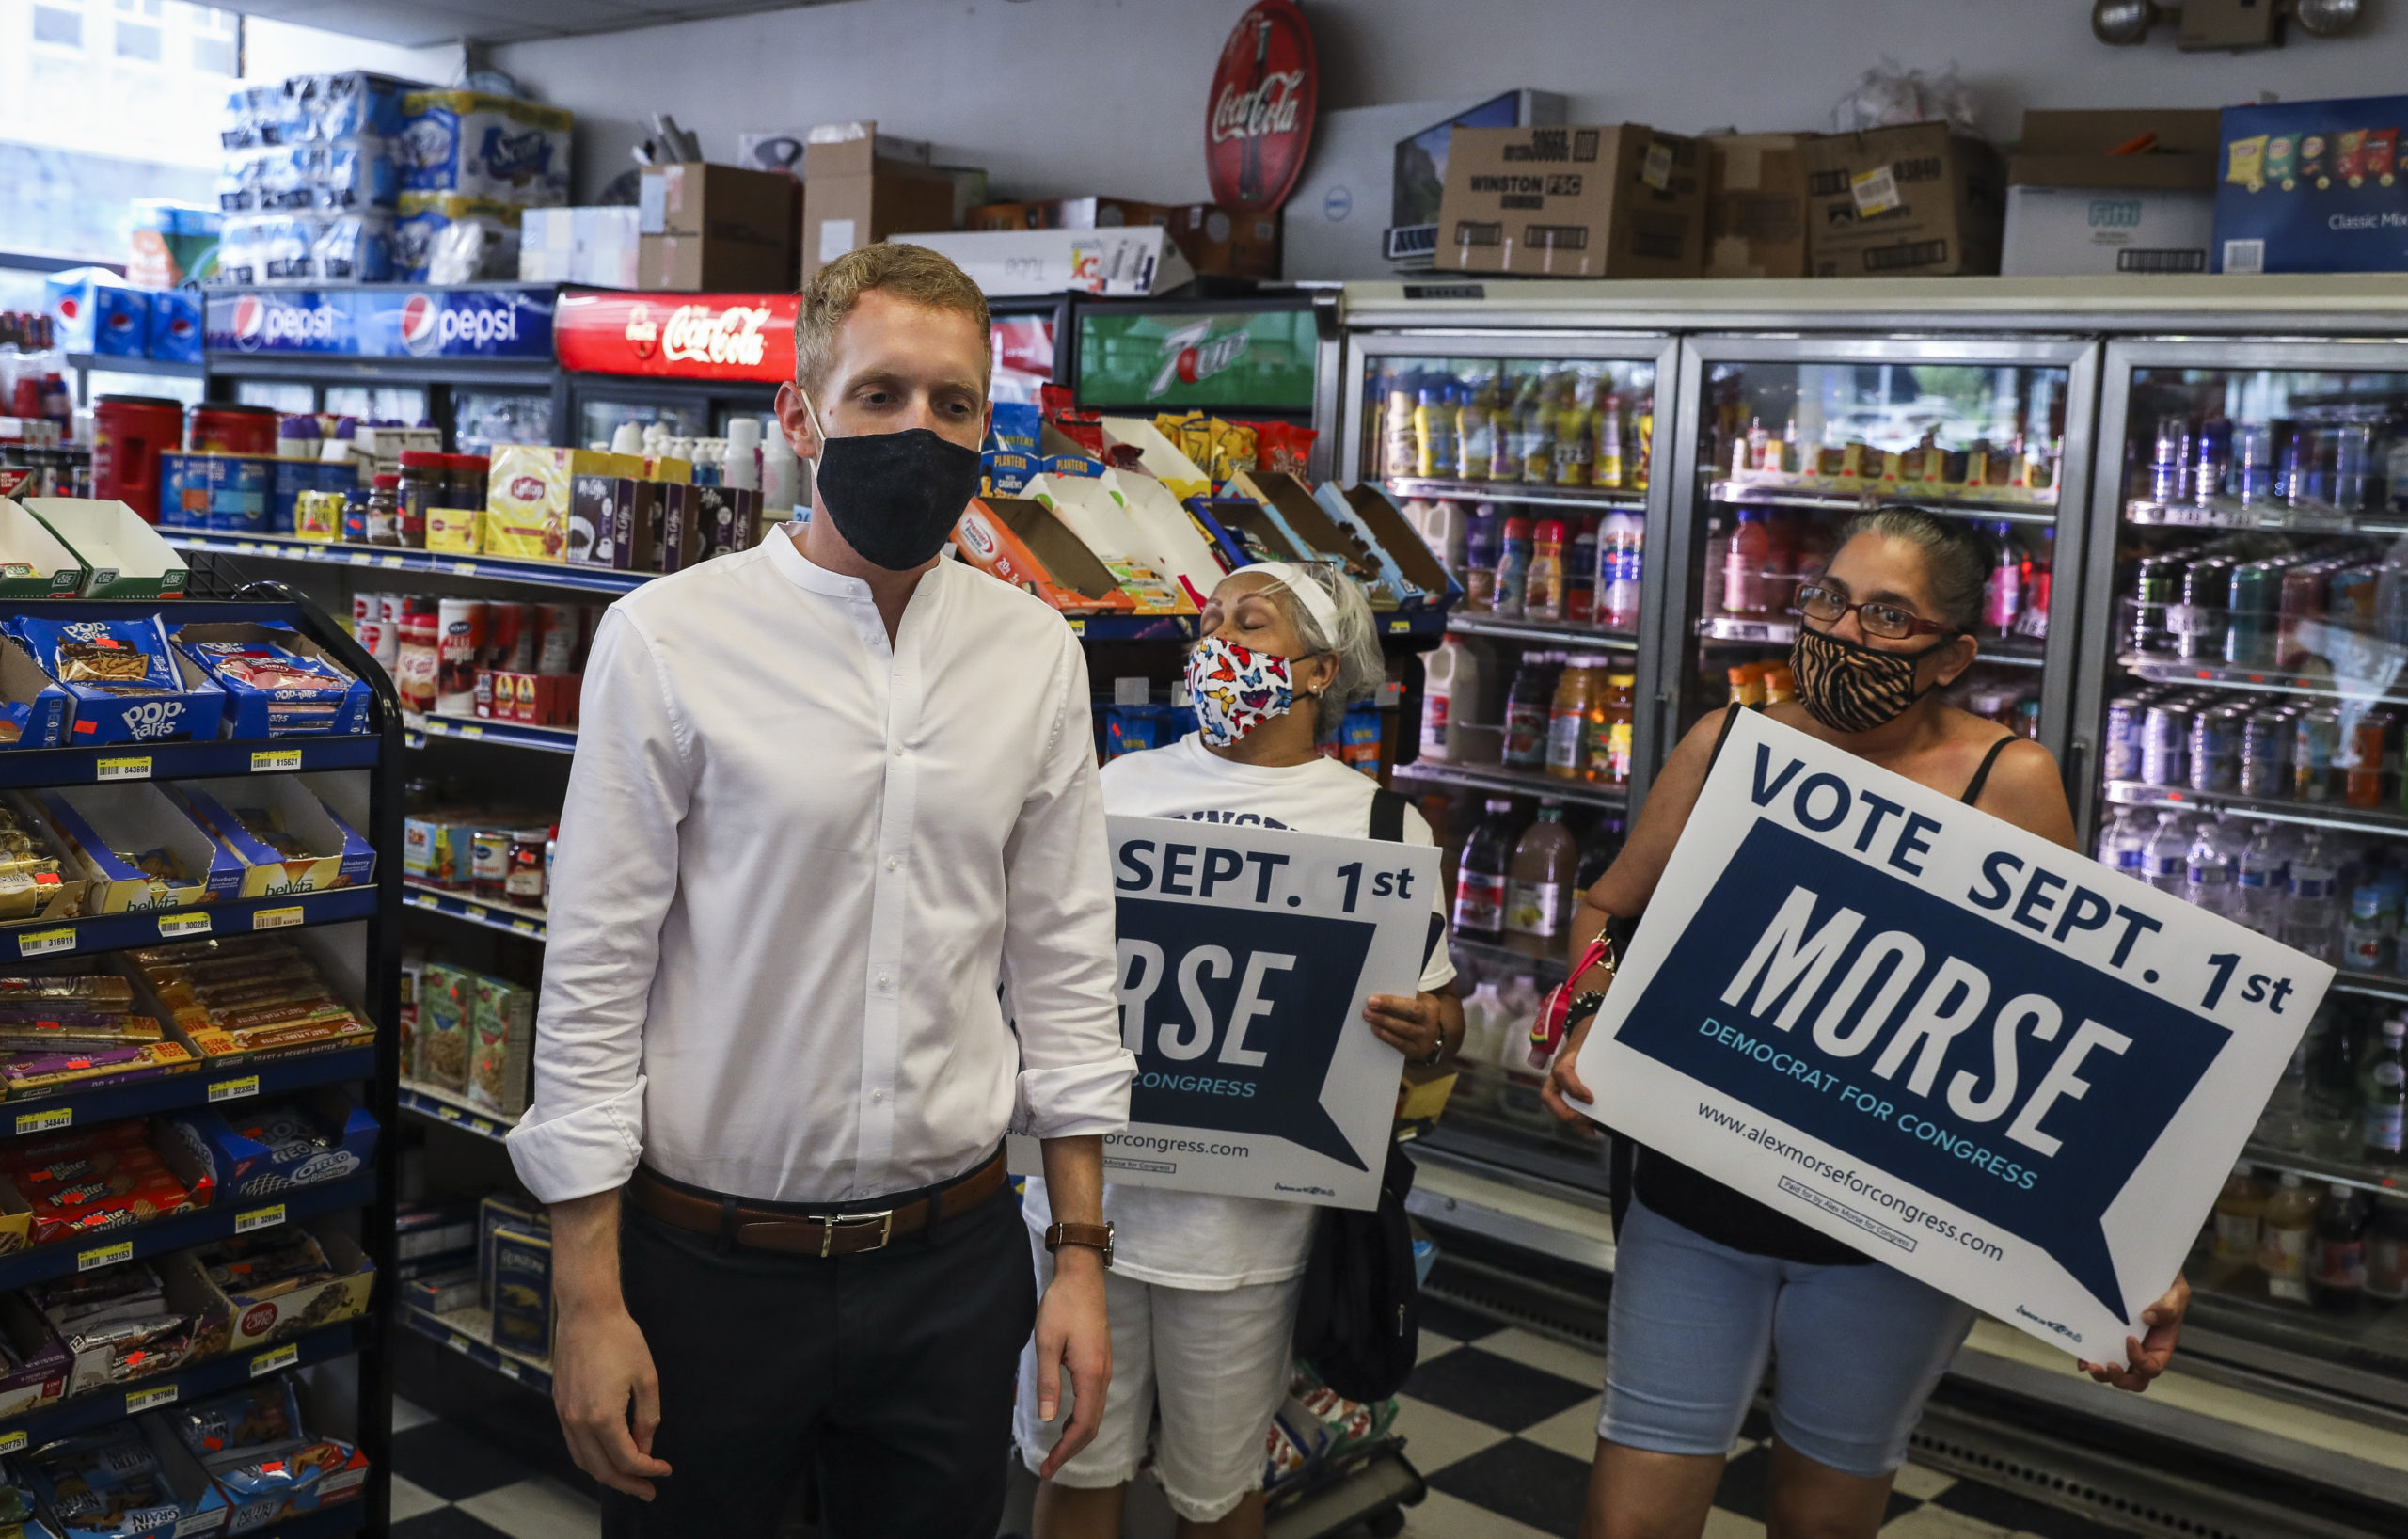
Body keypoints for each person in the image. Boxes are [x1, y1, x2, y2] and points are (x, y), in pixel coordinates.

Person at [506, 242, 1134, 1539]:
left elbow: (1069, 969)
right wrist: (587, 1297)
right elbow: (593, 984)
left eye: (953, 404)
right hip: (709, 1272)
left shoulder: (1031, 654)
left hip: (953, 1268)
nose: (919, 430)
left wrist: (1079, 1259)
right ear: (799, 417)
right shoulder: (669, 640)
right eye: (881, 395)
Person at [1541, 508, 2192, 1539]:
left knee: (1824, 1510)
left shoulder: (2007, 781)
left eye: (1889, 616)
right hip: (1693, 1199)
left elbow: (2077, 1030)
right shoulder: (1726, 742)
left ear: (1952, 656)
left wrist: (2135, 1251)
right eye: (1829, 599)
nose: (1843, 632)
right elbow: (1611, 910)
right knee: (1629, 1517)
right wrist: (1584, 1018)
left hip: (1889, 1238)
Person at [1017, 562, 1464, 1539]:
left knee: (1217, 1488)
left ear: (1319, 672)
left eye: (1249, 625)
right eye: (1209, 621)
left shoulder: (1380, 824)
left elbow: (1440, 1021)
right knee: (1073, 1458)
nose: (1216, 641)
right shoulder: (1115, 787)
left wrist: (1424, 1029)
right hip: (1091, 1203)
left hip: (1247, 1232)